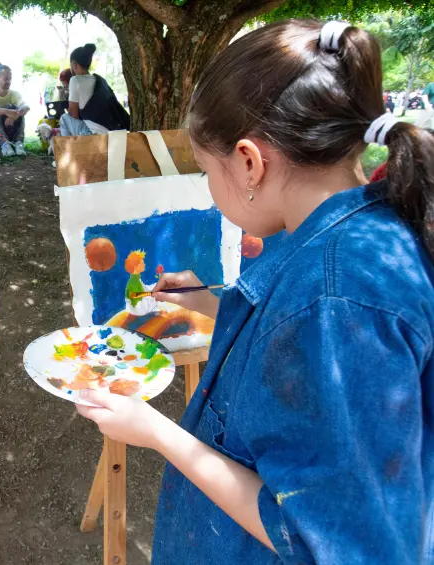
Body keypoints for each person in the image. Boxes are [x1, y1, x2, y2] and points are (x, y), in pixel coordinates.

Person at [76, 20, 434, 565]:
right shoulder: (353, 231)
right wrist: (215, 305)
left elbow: (326, 542)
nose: (209, 188)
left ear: (249, 162)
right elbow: (295, 353)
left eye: (204, 171)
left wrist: (156, 432)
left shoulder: (338, 299)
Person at [61, 43, 130, 137]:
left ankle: (68, 150)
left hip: (94, 134)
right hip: (112, 131)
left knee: (64, 118)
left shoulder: (75, 80)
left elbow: (73, 114)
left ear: (74, 65)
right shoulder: (100, 80)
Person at [0, 63, 29, 157]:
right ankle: (5, 145)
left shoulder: (14, 94)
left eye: (10, 78)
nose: (9, 81)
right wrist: (5, 111)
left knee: (20, 110)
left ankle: (18, 143)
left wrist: (16, 114)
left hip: (11, 132)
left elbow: (26, 107)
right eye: (6, 79)